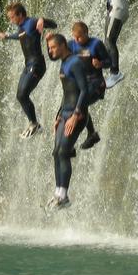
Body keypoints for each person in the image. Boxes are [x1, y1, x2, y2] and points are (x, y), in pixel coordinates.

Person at [0, 2, 57, 138]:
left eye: (12, 17)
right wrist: (6, 36)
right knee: (20, 96)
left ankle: (34, 124)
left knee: (23, 94)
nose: (11, 20)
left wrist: (42, 20)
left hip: (37, 65)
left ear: (20, 15)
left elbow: (53, 24)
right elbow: (20, 36)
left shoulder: (32, 22)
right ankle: (33, 124)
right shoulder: (22, 28)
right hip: (28, 66)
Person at [46, 33, 91, 210]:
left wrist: (75, 115)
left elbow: (84, 90)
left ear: (63, 45)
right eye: (49, 48)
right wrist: (58, 115)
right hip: (65, 114)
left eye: (53, 47)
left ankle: (64, 196)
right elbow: (67, 93)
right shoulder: (64, 63)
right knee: (56, 152)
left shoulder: (75, 62)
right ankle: (58, 192)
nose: (50, 51)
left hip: (76, 115)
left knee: (64, 152)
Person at [67, 21, 112, 150]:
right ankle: (90, 134)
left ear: (86, 34)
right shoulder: (72, 45)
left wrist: (100, 64)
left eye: (79, 37)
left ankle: (90, 133)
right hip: (82, 84)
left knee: (80, 102)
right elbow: (58, 54)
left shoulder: (96, 44)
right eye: (74, 37)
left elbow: (110, 61)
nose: (77, 39)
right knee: (73, 102)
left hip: (97, 83)